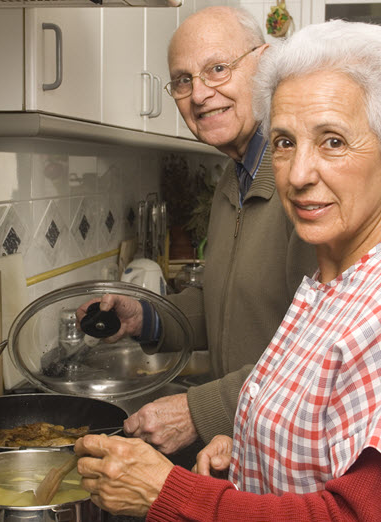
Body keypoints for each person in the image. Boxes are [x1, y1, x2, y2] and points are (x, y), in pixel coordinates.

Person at [74, 19, 381, 520]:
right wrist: (254, 461)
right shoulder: (336, 276)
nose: (300, 175)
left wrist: (166, 495)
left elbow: (358, 515)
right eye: (284, 142)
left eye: (333, 141)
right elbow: (321, 423)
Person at [77, 6, 316, 454]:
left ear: (263, 63)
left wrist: (200, 409)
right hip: (248, 451)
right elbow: (227, 307)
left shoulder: (302, 183)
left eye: (217, 69)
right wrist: (145, 316)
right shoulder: (233, 178)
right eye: (183, 80)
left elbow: (321, 357)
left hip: (297, 458)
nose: (199, 94)